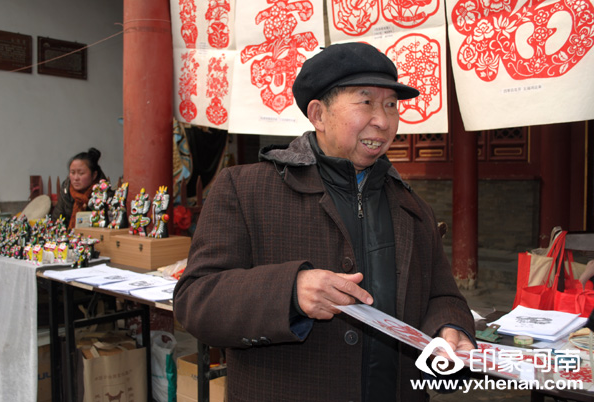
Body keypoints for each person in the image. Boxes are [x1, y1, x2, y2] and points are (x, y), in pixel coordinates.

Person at [173, 42, 475, 402]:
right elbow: (195, 300)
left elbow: (443, 295)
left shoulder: (412, 207)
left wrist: (451, 326)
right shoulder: (245, 190)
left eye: (391, 105)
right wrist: (289, 292)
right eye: (366, 102)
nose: (383, 121)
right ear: (318, 115)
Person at [51, 147, 106, 228]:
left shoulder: (103, 194)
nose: (76, 178)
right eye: (72, 173)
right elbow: (56, 221)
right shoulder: (66, 192)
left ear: (94, 175)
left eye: (81, 173)